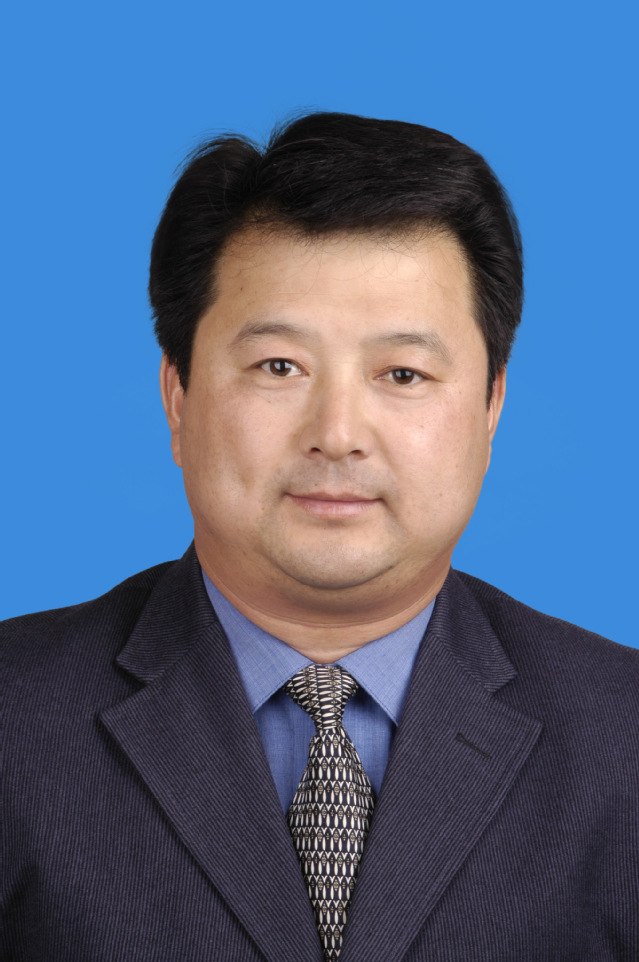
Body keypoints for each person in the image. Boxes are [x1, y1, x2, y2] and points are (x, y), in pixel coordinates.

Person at [2, 112, 638, 962]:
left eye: (402, 373)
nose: (336, 434)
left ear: (490, 407)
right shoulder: (15, 721)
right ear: (178, 396)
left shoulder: (623, 736)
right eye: (279, 367)